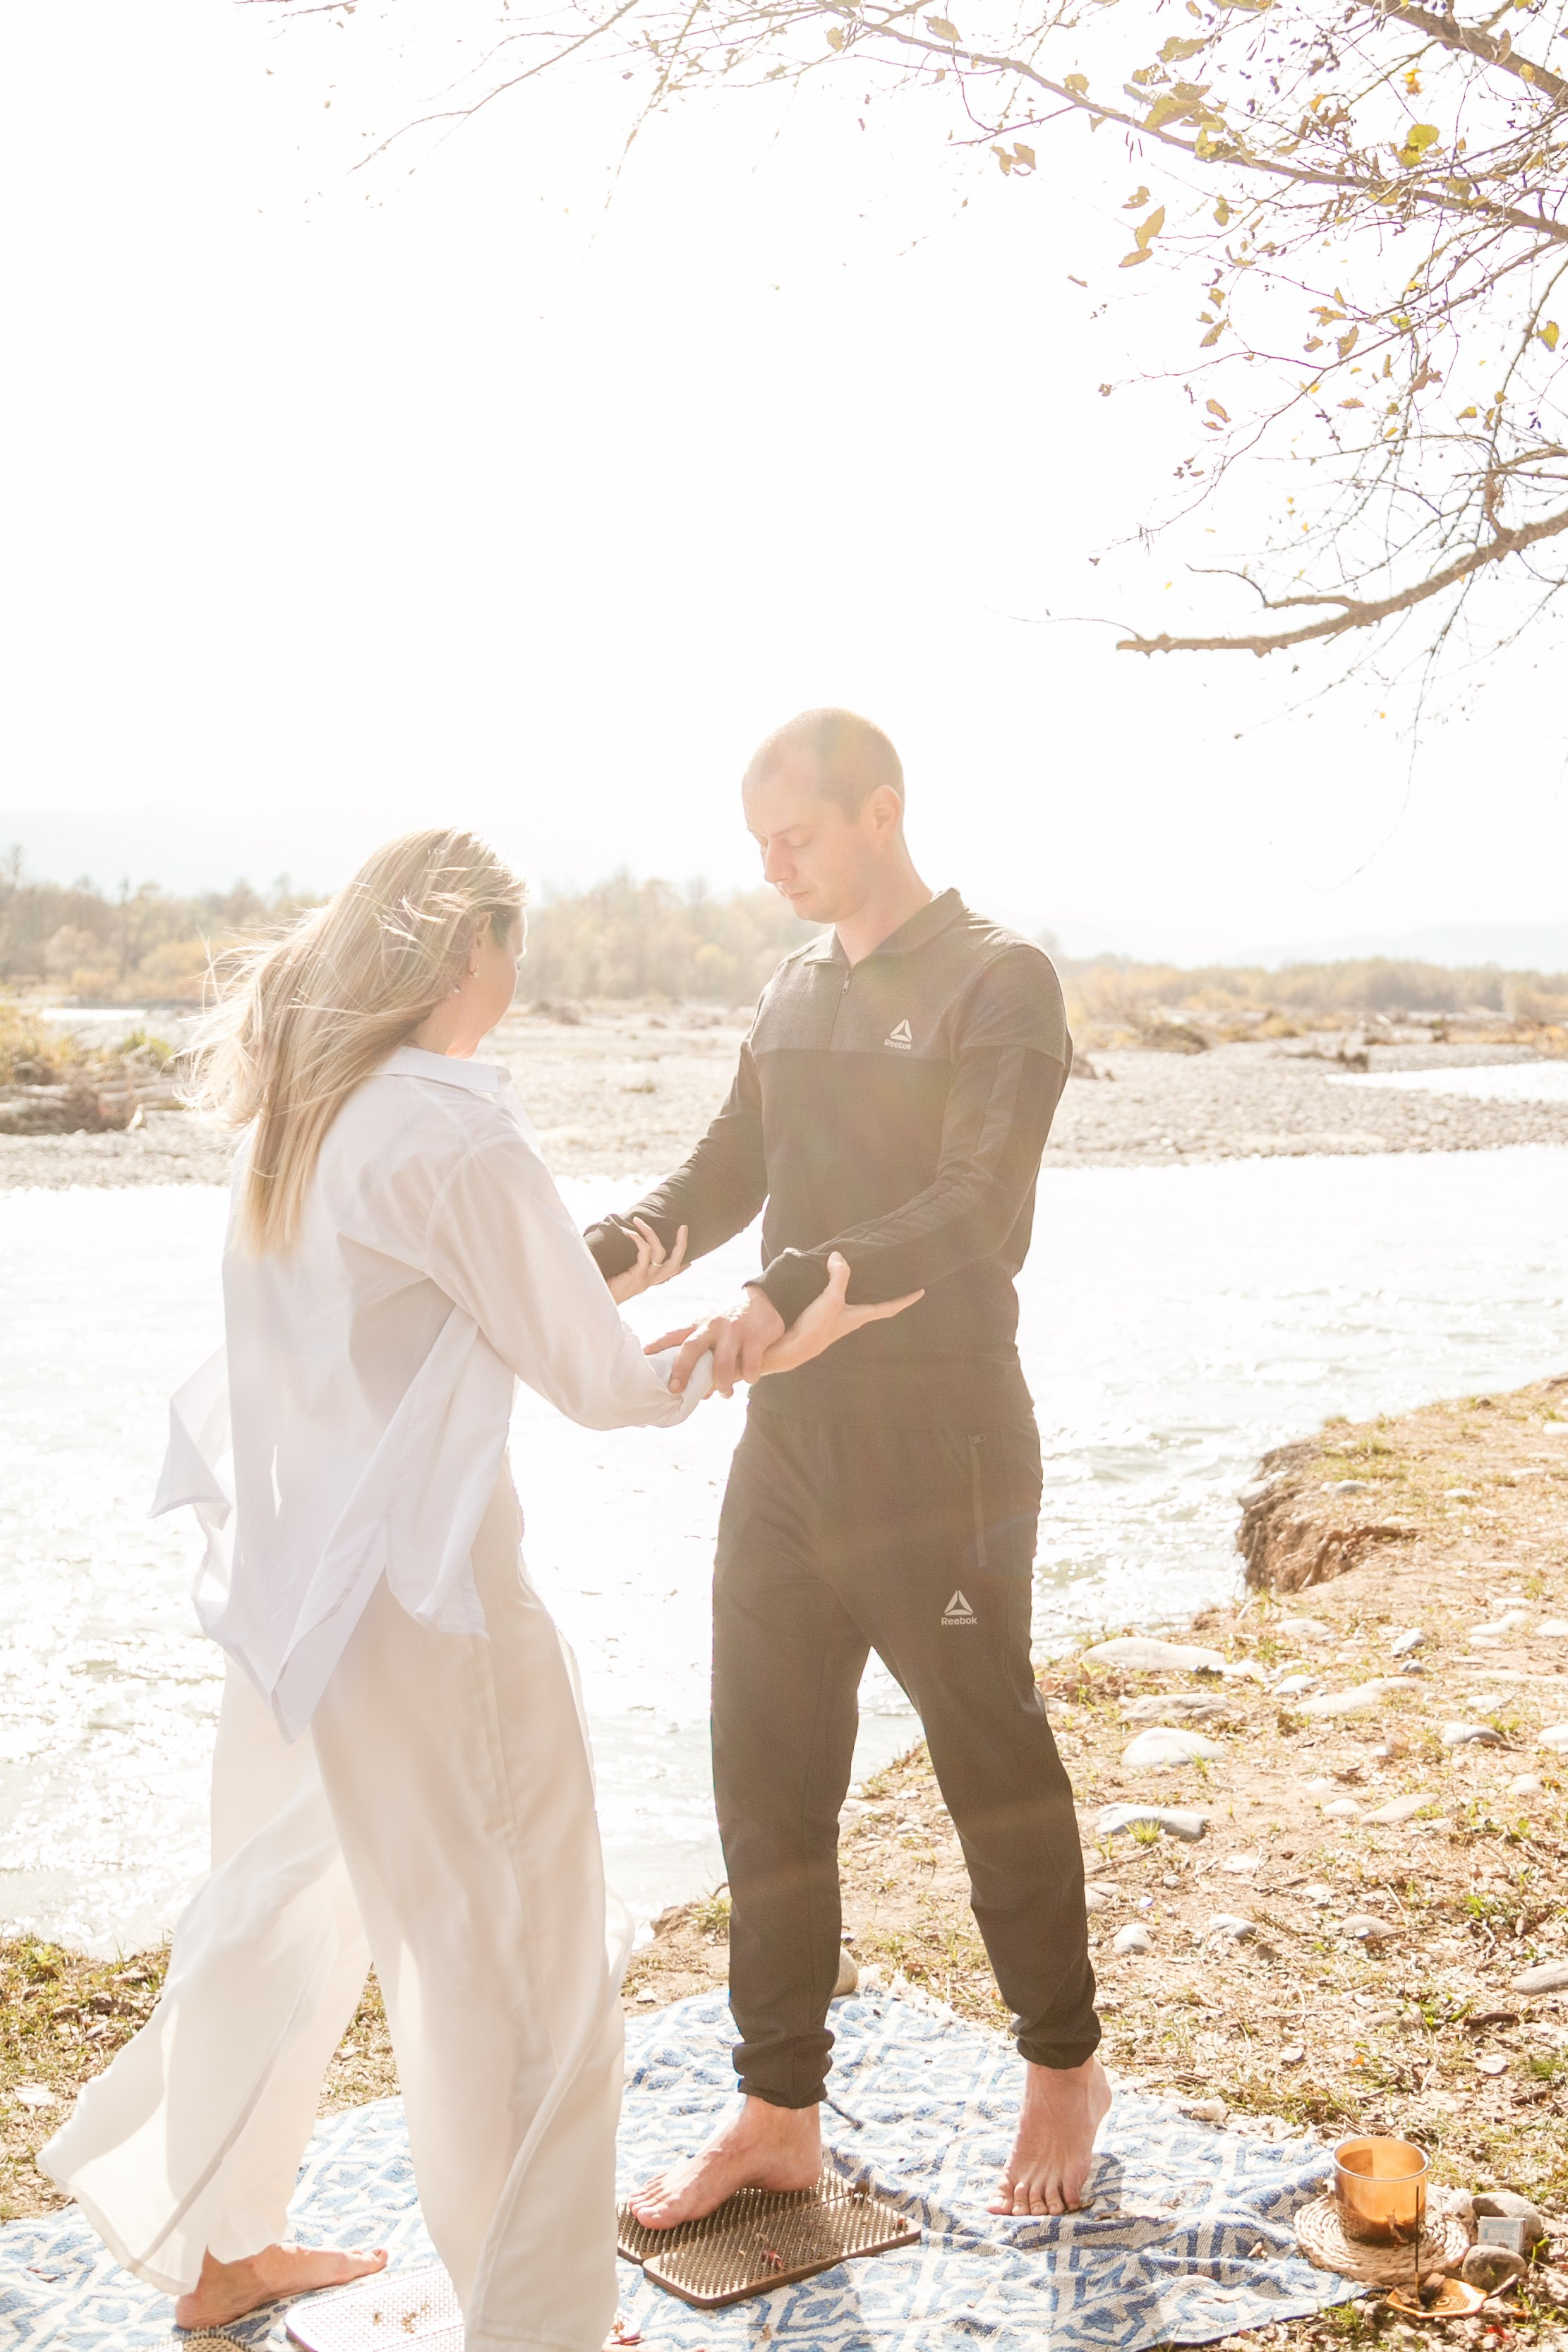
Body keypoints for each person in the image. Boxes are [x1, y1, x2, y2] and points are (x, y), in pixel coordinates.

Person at [41, 828, 909, 2352]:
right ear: (468, 950)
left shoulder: (310, 1119)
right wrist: (780, 1335)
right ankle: (539, 2324)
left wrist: (609, 1293)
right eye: (518, 941)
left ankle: (225, 2254)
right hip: (431, 1613)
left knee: (296, 1913)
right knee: (515, 1956)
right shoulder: (448, 1124)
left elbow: (453, 1317)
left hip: (296, 1608)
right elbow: (598, 1381)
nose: (525, 969)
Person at [586, 711, 1109, 2229]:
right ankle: (775, 2111)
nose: (770, 869)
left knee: (986, 1757)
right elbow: (714, 1179)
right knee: (765, 1773)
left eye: (793, 837)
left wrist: (795, 1282)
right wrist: (579, 1266)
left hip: (939, 1439)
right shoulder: (793, 987)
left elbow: (971, 1210)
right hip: (790, 1451)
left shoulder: (997, 978)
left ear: (881, 811)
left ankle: (1062, 2059)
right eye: (755, 844)